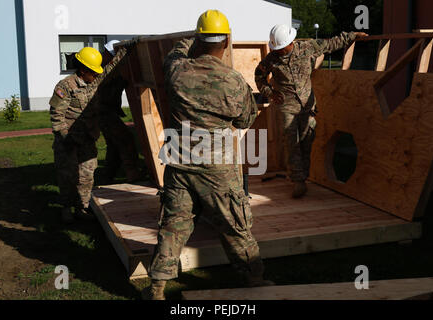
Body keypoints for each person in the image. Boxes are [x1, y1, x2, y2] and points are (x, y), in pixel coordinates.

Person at [142, 10, 273, 300]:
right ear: (226, 42)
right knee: (234, 225)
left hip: (179, 161)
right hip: (216, 167)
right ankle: (254, 279)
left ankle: (157, 287)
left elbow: (177, 51)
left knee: (173, 226)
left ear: (199, 39)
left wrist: (194, 38)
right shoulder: (234, 81)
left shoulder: (176, 71)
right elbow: (243, 121)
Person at [255, 24, 368, 198]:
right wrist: (270, 93)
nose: (279, 52)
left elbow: (331, 44)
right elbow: (259, 77)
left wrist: (352, 35)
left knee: (308, 140)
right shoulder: (271, 59)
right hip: (287, 107)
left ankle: (304, 176)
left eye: (281, 48)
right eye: (276, 49)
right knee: (291, 143)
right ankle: (298, 181)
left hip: (308, 107)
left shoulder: (308, 47)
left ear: (290, 42)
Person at [50, 45, 127, 224]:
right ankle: (66, 208)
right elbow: (56, 115)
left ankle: (82, 208)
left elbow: (108, 70)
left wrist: (124, 51)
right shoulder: (65, 86)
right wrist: (64, 136)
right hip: (68, 140)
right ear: (83, 70)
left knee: (86, 175)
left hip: (87, 139)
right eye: (93, 72)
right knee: (68, 175)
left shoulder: (94, 82)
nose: (96, 76)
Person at [97, 40, 141, 184]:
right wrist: (124, 53)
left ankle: (107, 177)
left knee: (114, 146)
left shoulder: (112, 70)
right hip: (102, 112)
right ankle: (133, 177)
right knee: (126, 140)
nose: (104, 56)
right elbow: (111, 73)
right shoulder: (101, 70)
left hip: (106, 112)